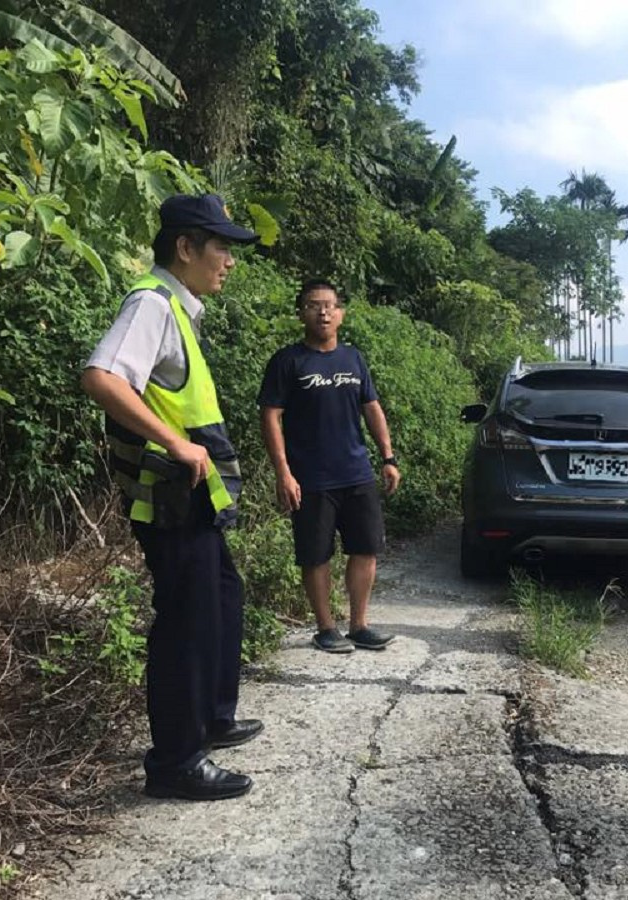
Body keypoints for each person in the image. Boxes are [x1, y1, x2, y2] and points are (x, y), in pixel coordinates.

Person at [82, 194, 263, 801]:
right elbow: (102, 377)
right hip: (169, 496)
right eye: (221, 248)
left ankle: (213, 716)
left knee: (220, 596)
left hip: (193, 497)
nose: (229, 262)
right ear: (185, 248)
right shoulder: (151, 304)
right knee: (187, 620)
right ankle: (176, 761)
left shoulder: (181, 310)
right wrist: (175, 445)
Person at [257, 279, 401, 654]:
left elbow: (372, 407)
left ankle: (359, 625)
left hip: (356, 472)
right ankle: (325, 628)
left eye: (330, 305)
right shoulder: (288, 361)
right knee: (315, 553)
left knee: (365, 548)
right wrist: (283, 472)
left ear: (341, 313)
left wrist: (387, 457)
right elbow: (271, 417)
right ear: (301, 312)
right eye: (313, 305)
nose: (323, 311)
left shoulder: (353, 359)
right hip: (311, 477)